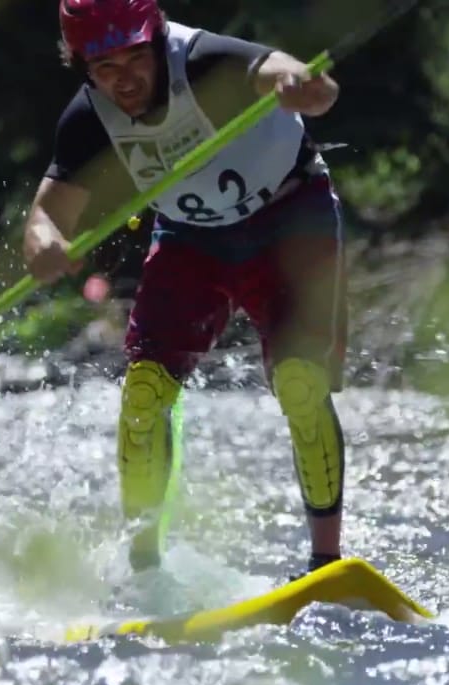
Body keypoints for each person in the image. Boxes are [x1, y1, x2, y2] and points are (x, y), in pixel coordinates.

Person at [23, 0, 349, 578]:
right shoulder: (87, 117)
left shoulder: (207, 60)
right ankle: (145, 568)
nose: (125, 80)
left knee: (301, 383)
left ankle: (326, 562)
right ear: (84, 67)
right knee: (144, 392)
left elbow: (301, 81)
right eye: (105, 68)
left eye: (135, 59)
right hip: (192, 240)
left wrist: (304, 86)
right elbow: (46, 216)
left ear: (156, 42)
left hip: (289, 218)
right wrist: (45, 242)